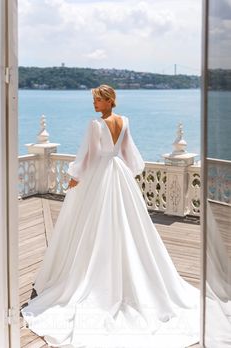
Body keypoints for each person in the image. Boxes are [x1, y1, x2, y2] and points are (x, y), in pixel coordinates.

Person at [21, 85, 200, 348]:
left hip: (101, 174)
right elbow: (131, 156)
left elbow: (88, 156)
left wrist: (75, 176)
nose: (94, 103)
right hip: (120, 174)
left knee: (93, 224)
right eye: (93, 99)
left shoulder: (95, 125)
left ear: (108, 101)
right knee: (129, 226)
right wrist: (126, 173)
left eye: (97, 99)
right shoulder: (124, 121)